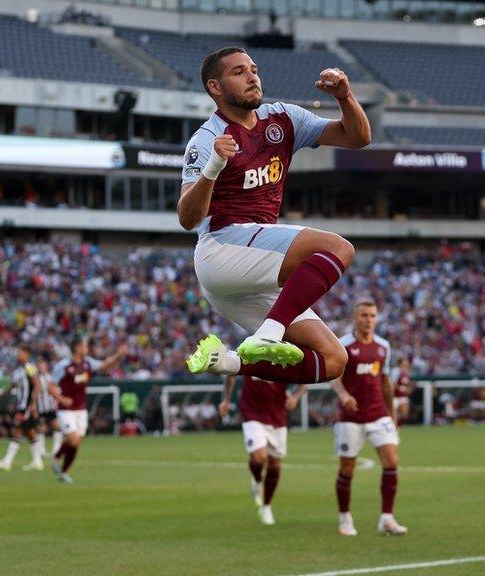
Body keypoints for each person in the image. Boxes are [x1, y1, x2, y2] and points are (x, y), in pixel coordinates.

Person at [181, 46, 371, 388]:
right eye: (238, 72)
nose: (252, 76)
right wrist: (213, 166)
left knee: (332, 360)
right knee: (337, 247)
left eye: (253, 69)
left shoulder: (282, 118)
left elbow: (357, 138)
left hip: (251, 265)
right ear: (215, 87)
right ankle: (270, 332)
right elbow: (187, 217)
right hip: (222, 248)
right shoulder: (207, 138)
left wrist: (345, 96)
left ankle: (229, 362)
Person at [331, 301, 407, 536]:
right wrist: (343, 395)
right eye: (364, 315)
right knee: (347, 468)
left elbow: (385, 382)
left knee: (392, 463)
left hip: (378, 414)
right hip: (351, 418)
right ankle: (345, 518)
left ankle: (387, 518)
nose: (368, 319)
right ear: (355, 318)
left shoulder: (383, 346)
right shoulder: (343, 345)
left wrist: (392, 414)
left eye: (373, 315)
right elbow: (335, 376)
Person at [219, 375, 305, 525]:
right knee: (259, 458)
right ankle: (257, 480)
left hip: (277, 416)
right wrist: (226, 399)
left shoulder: (285, 354)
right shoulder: (248, 352)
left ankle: (266, 506)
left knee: (275, 465)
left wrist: (296, 397)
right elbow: (231, 373)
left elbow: (304, 380)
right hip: (253, 414)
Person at [50, 338, 128, 484]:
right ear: (77, 348)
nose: (87, 349)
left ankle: (64, 471)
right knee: (73, 439)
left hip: (81, 409)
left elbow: (104, 365)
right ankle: (56, 458)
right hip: (65, 409)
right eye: (85, 346)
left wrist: (119, 354)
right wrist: (61, 399)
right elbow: (51, 385)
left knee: (76, 442)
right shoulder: (63, 366)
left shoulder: (88, 363)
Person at [0, 348, 44, 471]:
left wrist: (34, 403)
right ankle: (37, 461)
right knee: (29, 432)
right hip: (21, 405)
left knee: (17, 429)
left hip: (27, 406)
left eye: (20, 352)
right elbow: (11, 386)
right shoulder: (17, 370)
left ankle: (7, 462)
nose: (18, 354)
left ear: (27, 354)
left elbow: (37, 385)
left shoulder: (29, 367)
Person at [391, 358, 413, 426]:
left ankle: (396, 427)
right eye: (405, 362)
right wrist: (401, 388)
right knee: (393, 416)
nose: (406, 364)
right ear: (400, 363)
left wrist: (409, 388)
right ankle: (393, 430)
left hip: (403, 396)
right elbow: (392, 384)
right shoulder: (395, 371)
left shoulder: (406, 372)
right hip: (394, 397)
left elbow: (408, 384)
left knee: (404, 416)